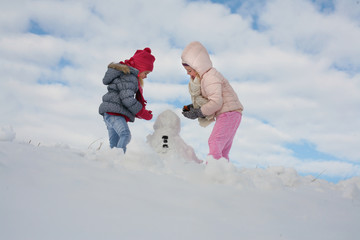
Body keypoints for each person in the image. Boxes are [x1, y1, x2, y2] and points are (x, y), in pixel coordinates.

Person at [181, 41, 244, 161]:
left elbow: (216, 102)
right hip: (232, 113)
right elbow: (210, 100)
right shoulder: (207, 76)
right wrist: (193, 108)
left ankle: (213, 173)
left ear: (198, 66)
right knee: (223, 149)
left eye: (189, 70)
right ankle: (223, 173)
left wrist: (199, 112)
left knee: (214, 141)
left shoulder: (210, 77)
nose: (188, 74)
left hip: (228, 113)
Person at [99, 47, 155, 153]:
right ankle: (119, 160)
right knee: (125, 135)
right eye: (146, 73)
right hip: (115, 113)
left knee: (114, 144)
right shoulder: (129, 77)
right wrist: (143, 114)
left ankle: (111, 163)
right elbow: (128, 100)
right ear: (139, 68)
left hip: (109, 113)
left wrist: (143, 112)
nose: (146, 77)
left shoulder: (125, 75)